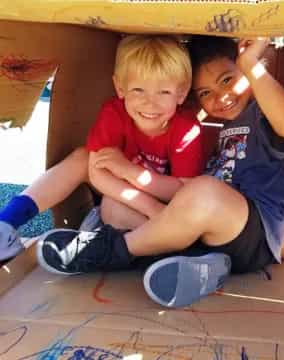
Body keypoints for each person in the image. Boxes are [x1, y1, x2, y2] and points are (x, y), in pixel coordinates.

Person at [35, 35, 284, 308]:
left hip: (252, 231)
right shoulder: (222, 129)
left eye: (228, 79)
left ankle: (108, 251)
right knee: (113, 207)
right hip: (206, 233)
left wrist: (250, 63)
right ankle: (199, 267)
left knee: (203, 190)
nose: (221, 97)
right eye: (205, 93)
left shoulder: (263, 114)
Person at [0, 35, 204, 261]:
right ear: (120, 87)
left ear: (182, 93)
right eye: (138, 90)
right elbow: (97, 173)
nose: (150, 102)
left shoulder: (186, 128)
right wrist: (149, 206)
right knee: (82, 158)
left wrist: (129, 172)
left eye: (163, 92)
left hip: (165, 212)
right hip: (127, 196)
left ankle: (175, 253)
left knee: (112, 208)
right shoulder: (114, 113)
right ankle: (6, 224)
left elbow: (183, 191)